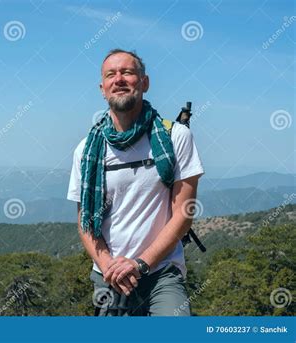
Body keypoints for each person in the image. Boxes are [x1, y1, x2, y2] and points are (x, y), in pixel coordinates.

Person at [66, 49, 204, 316]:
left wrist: (140, 264)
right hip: (109, 274)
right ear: (102, 88)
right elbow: (85, 221)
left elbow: (183, 215)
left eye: (127, 72)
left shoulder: (175, 137)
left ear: (144, 82)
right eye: (111, 75)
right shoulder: (86, 151)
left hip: (161, 272)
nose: (119, 79)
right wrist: (109, 265)